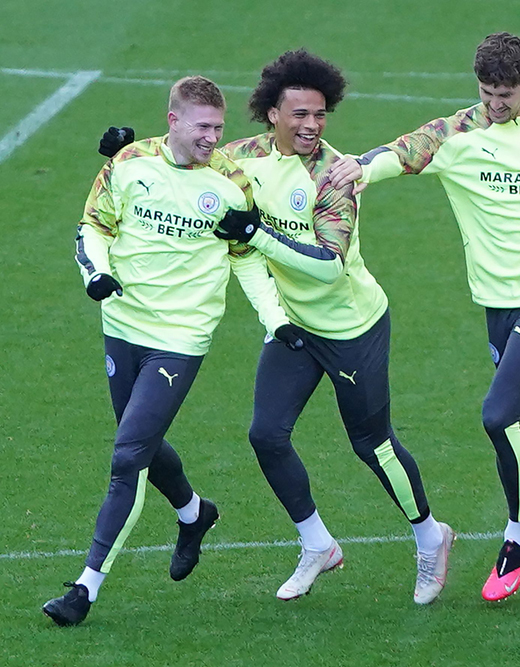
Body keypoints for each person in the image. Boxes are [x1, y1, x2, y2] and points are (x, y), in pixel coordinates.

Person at [101, 50, 455, 605]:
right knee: (266, 435)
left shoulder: (333, 177)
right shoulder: (240, 159)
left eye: (320, 114)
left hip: (349, 327)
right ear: (272, 114)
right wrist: (124, 147)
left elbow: (327, 263)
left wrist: (258, 236)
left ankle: (429, 535)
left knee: (371, 443)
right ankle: (317, 544)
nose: (312, 125)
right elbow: (183, 149)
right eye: (300, 115)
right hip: (291, 327)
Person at [327, 32, 520, 602]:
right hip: (498, 303)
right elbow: (396, 154)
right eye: (488, 92)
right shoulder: (454, 135)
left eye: (507, 94)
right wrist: (357, 170)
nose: (496, 104)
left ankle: (519, 538)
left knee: (498, 415)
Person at [44, 76, 296, 627]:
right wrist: (99, 275)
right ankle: (194, 512)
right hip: (123, 325)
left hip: (181, 337)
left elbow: (245, 255)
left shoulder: (230, 183)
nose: (212, 139)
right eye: (203, 127)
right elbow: (93, 227)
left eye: (219, 128)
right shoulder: (130, 162)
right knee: (142, 440)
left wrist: (275, 320)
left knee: (128, 455)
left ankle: (84, 589)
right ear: (173, 120)